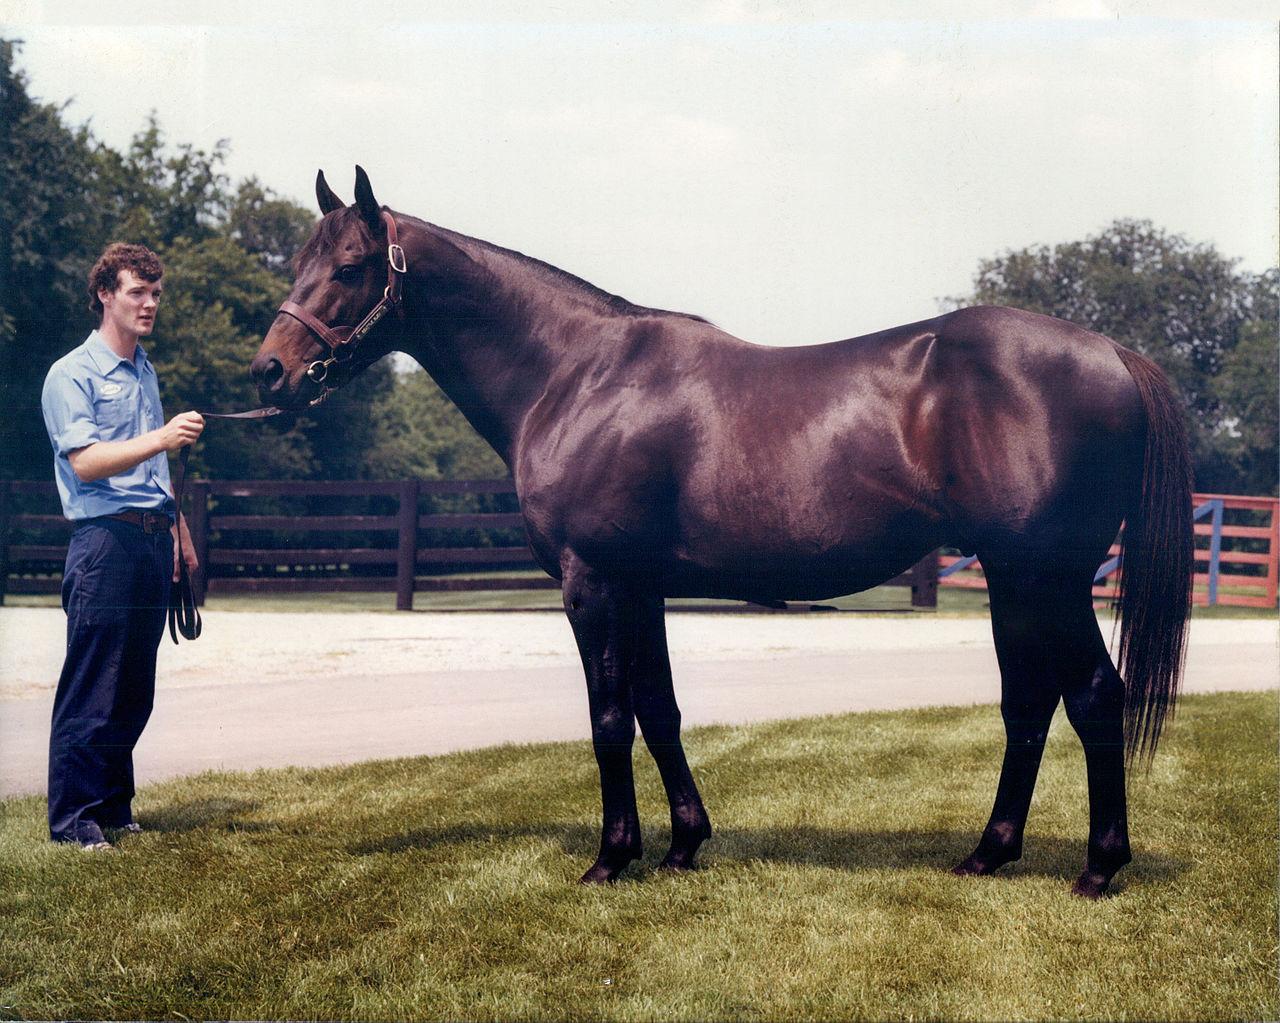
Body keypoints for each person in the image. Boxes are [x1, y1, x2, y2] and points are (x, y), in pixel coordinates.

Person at [39, 242, 204, 850]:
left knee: (134, 683)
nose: (150, 303)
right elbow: (85, 463)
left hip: (151, 538)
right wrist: (162, 437)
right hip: (103, 541)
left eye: (156, 293)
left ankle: (113, 807)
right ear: (105, 294)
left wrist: (179, 532)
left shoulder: (144, 369)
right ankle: (73, 820)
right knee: (93, 683)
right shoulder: (71, 374)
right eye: (138, 292)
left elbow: (152, 473)